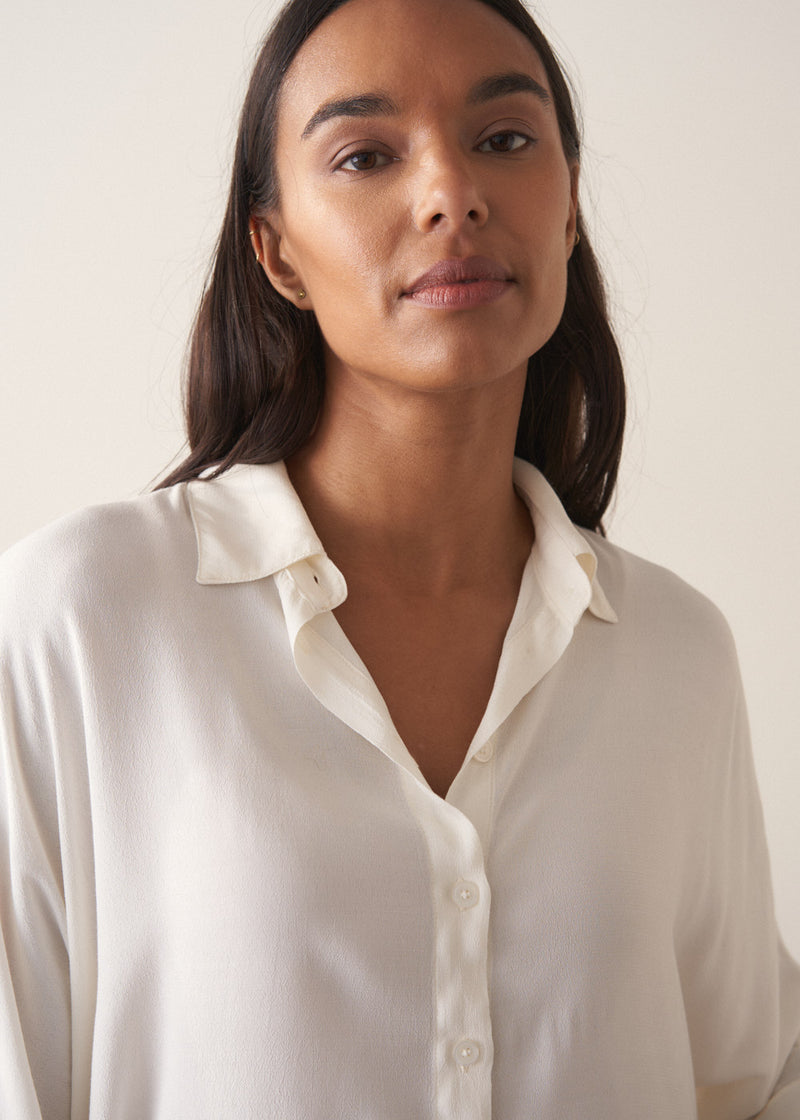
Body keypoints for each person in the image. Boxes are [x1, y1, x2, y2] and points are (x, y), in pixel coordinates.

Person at [1, 0, 799, 1115]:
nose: (450, 195)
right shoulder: (83, 618)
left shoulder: (673, 654)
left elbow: (750, 1081)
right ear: (275, 253)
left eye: (504, 140)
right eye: (365, 154)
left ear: (567, 206)